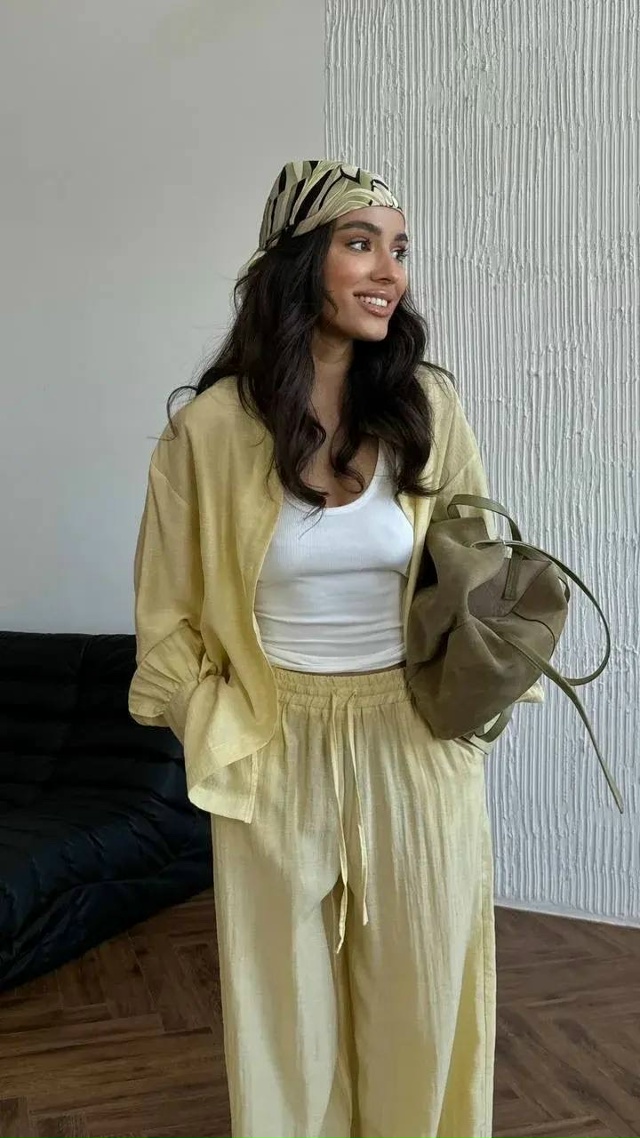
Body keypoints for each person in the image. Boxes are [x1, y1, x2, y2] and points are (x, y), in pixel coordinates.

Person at [129, 159, 502, 1138]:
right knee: (282, 1018)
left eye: (399, 249)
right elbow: (165, 617)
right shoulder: (209, 430)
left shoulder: (427, 408)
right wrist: (212, 724)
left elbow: (478, 567)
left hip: (413, 738)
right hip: (271, 741)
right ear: (299, 262)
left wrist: (480, 691)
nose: (390, 271)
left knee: (425, 994)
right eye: (360, 243)